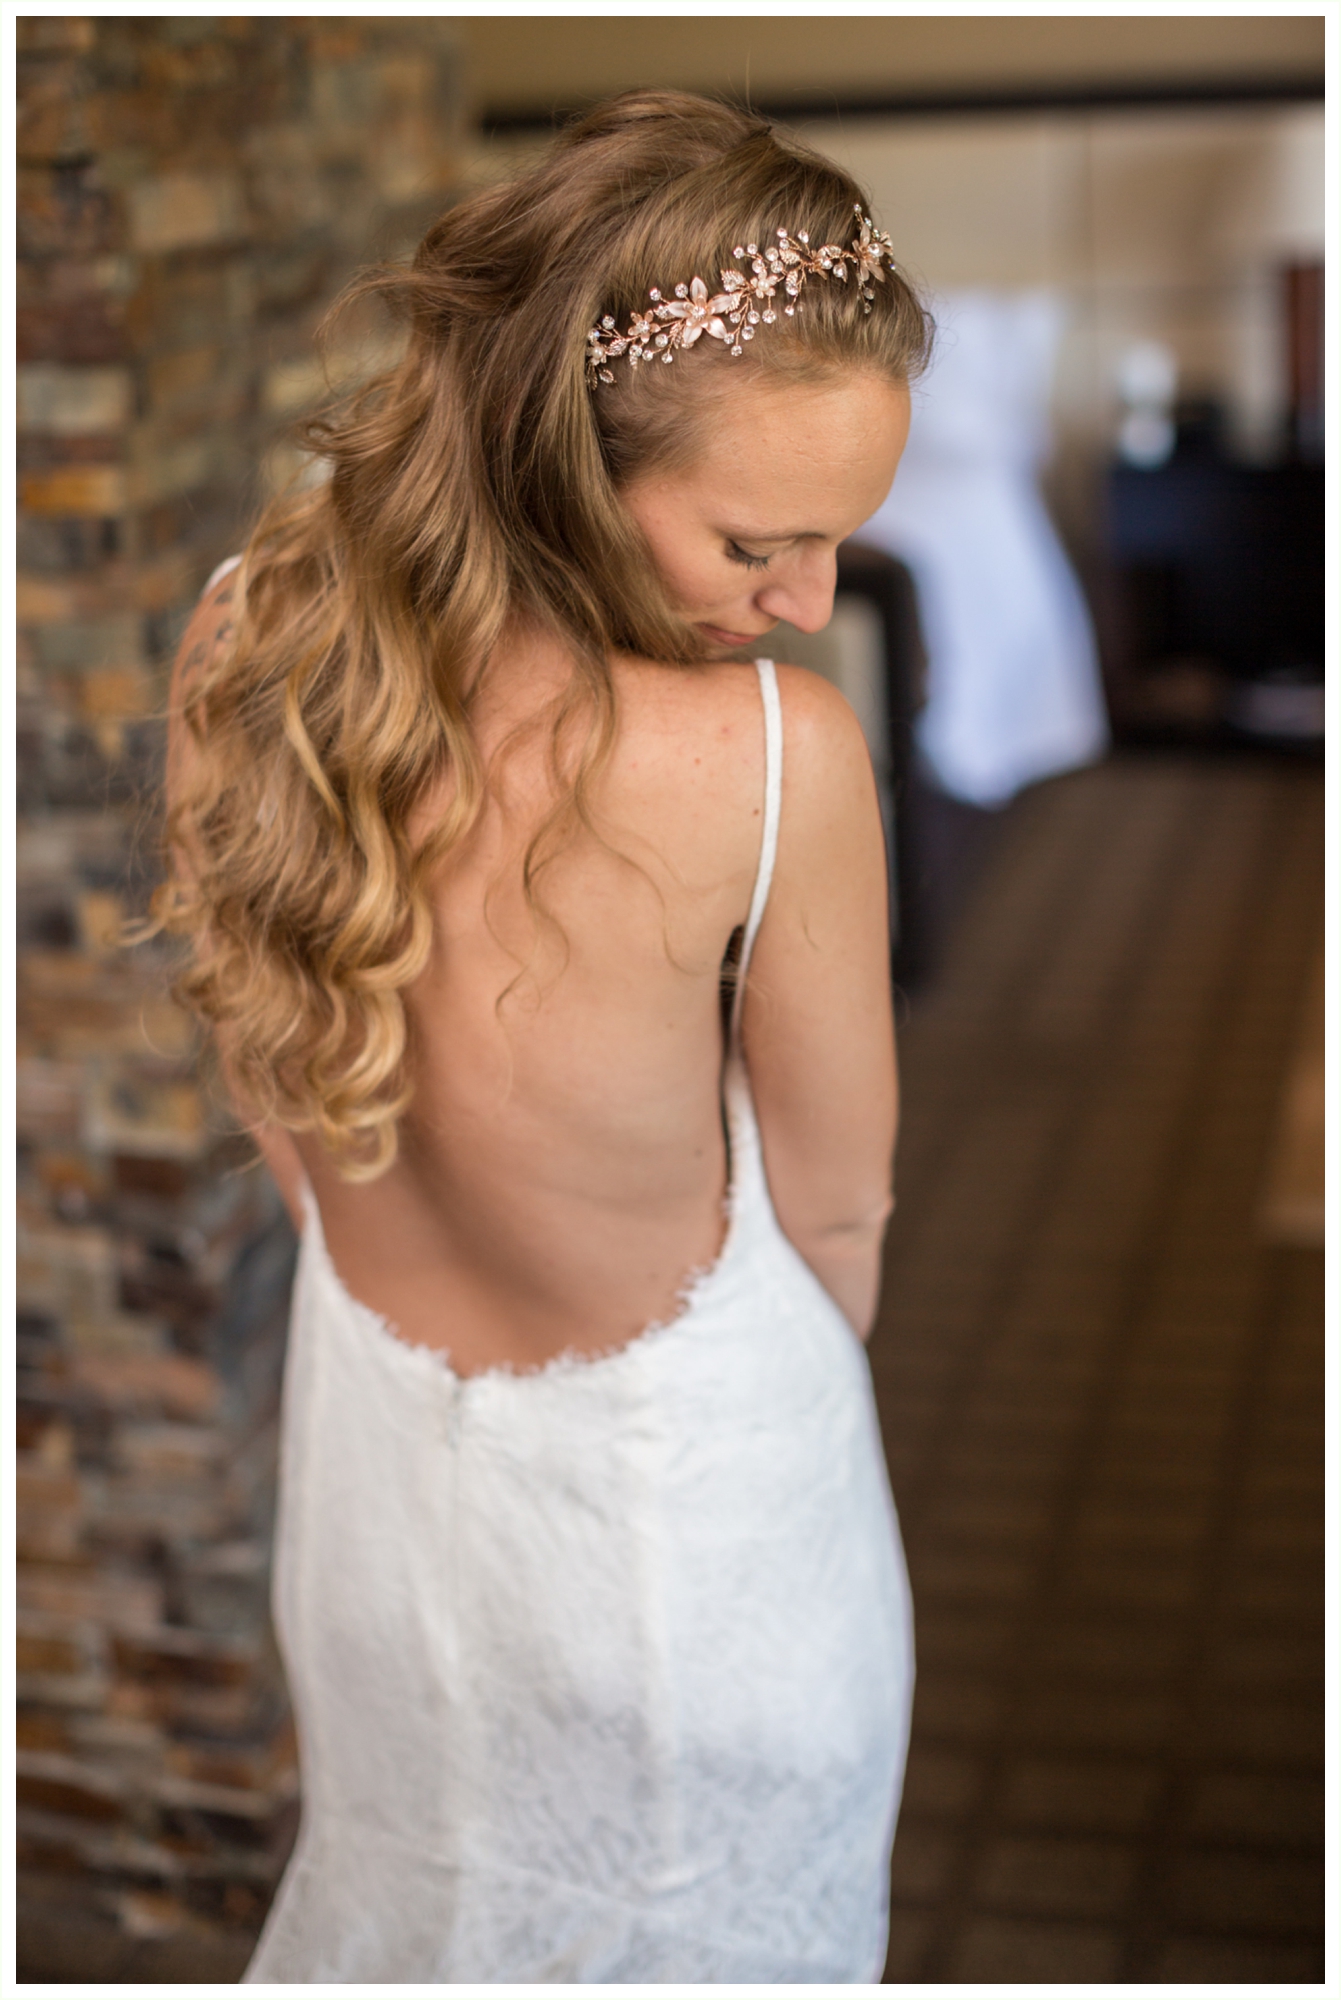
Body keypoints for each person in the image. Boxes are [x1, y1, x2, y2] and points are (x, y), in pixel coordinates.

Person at [156, 89, 931, 1983]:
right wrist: (771, 1449)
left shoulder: (244, 640)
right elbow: (839, 1214)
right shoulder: (769, 762)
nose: (809, 602)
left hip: (377, 1509)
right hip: (705, 1539)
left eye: (840, 542)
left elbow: (283, 1095)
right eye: (760, 537)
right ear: (574, 459)